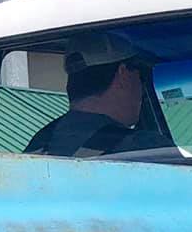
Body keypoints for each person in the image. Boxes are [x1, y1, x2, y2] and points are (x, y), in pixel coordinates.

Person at [25, 35, 159, 158]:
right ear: (123, 74)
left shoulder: (38, 144)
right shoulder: (143, 148)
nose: (142, 86)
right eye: (141, 73)